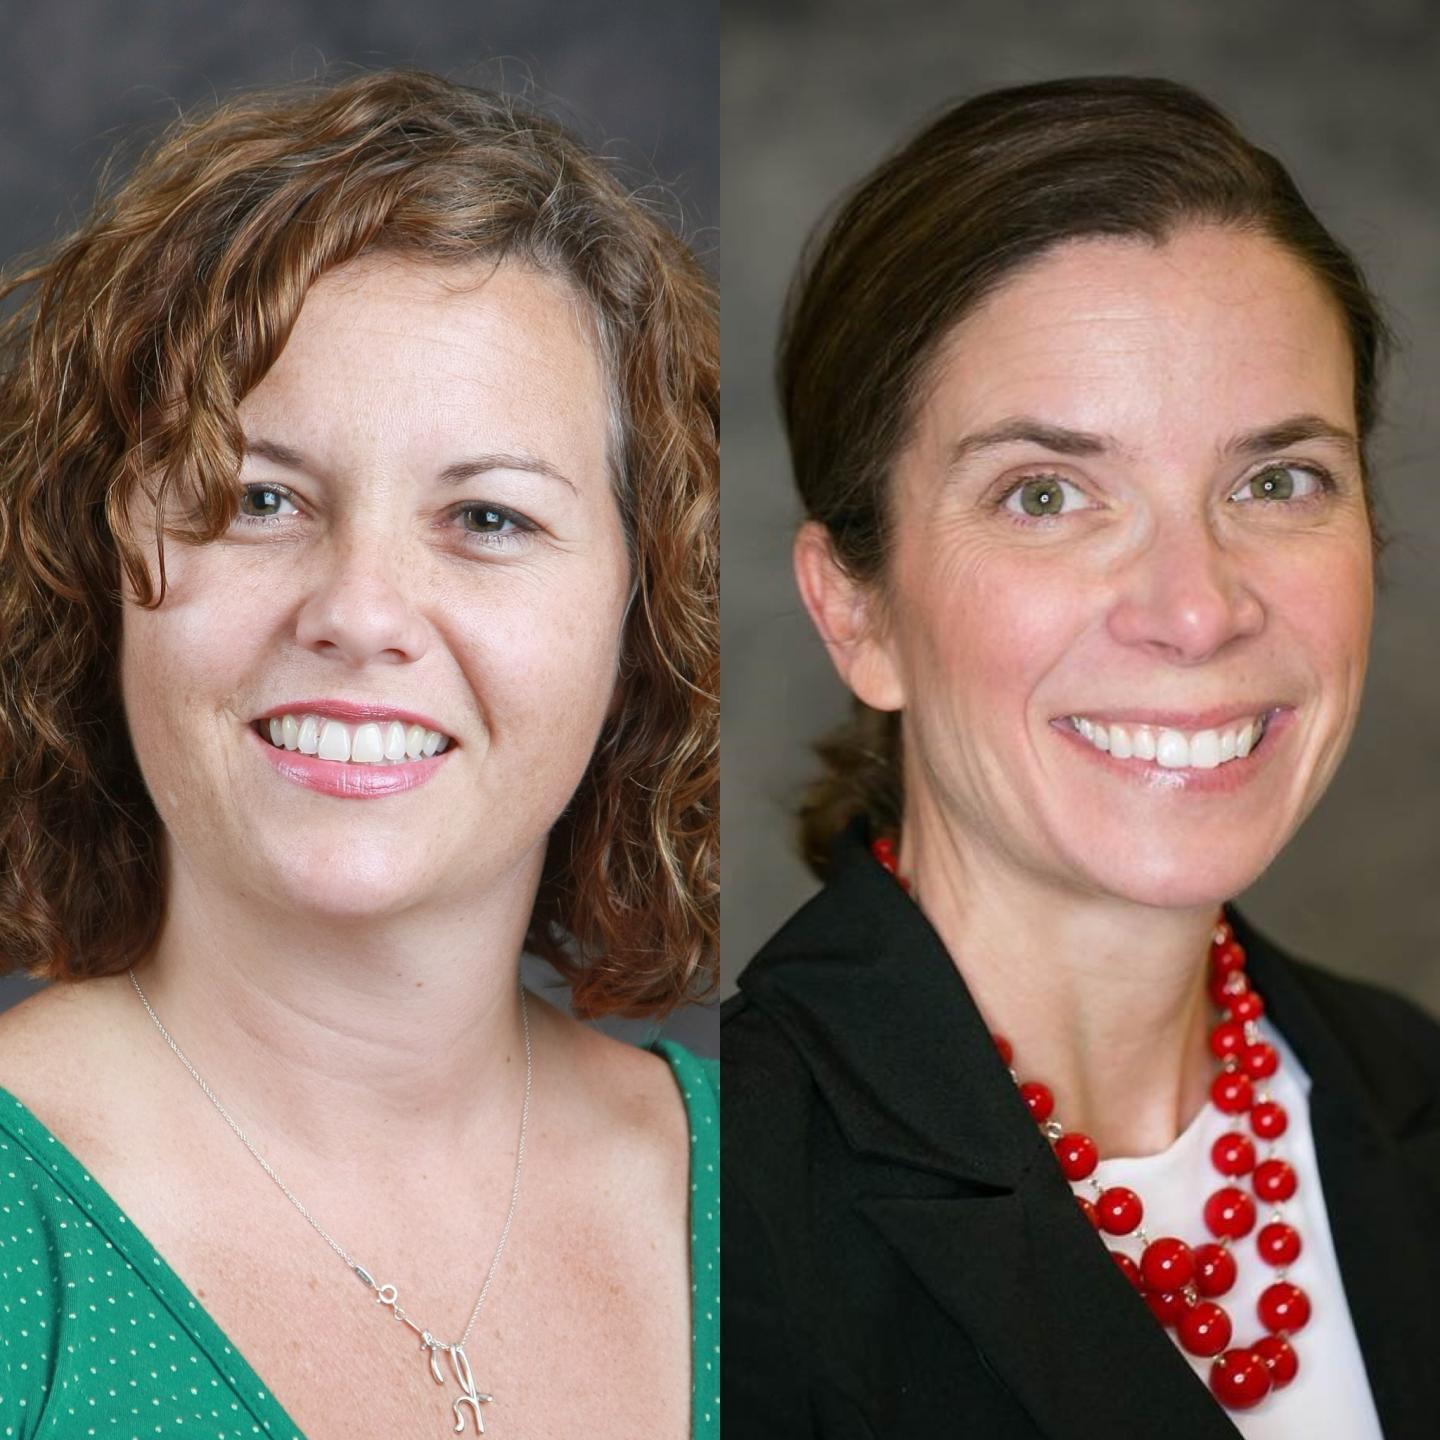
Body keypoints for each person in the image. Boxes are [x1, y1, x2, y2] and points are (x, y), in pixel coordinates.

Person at [0, 69, 717, 1440]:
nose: (360, 611)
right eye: (259, 499)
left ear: (644, 620)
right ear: (99, 577)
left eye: (489, 519)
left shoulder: (785, 1194)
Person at [723, 76, 1440, 1440]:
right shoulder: (719, 1213)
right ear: (855, 611)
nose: (1197, 609)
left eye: (1276, 480)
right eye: (1047, 495)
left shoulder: (1413, 1083)